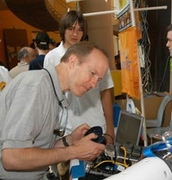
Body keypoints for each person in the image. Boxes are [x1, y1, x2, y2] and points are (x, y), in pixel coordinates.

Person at [0, 41, 108, 179]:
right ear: (73, 61)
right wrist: (73, 151)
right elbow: (12, 157)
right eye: (92, 73)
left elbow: (35, 150)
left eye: (98, 80)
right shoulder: (36, 87)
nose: (94, 84)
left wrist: (69, 140)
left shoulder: (53, 92)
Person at [44, 10, 115, 145]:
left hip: (95, 125)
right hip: (65, 129)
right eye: (71, 29)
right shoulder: (51, 58)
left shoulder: (96, 58)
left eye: (80, 30)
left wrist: (110, 130)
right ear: (63, 30)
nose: (75, 34)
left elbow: (105, 91)